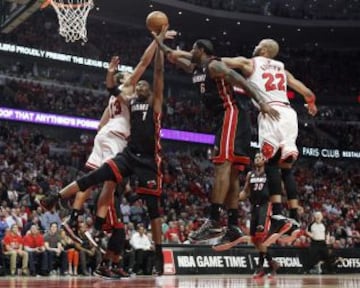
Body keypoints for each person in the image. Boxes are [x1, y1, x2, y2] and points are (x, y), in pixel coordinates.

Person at [40, 39, 166, 275]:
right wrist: (156, 40)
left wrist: (110, 74)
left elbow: (100, 122)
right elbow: (143, 64)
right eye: (132, 79)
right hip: (119, 139)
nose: (137, 81)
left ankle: (75, 215)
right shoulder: (128, 93)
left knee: (97, 177)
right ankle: (93, 227)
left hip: (111, 138)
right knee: (108, 182)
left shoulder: (133, 100)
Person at [153, 34, 279, 244]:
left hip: (231, 115)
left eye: (193, 49)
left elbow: (239, 79)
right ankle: (232, 225)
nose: (190, 52)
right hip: (226, 119)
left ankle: (213, 220)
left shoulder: (214, 66)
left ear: (201, 50)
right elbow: (171, 55)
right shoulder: (196, 69)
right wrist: (157, 38)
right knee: (231, 175)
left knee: (222, 166)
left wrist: (262, 103)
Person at [220, 38, 318, 241]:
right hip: (289, 114)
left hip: (270, 112)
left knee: (271, 164)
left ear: (263, 49)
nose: (255, 45)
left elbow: (222, 62)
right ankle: (294, 217)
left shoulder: (251, 62)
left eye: (258, 44)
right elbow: (308, 93)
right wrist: (311, 104)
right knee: (286, 168)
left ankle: (279, 215)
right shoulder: (282, 69)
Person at [238, 153, 285, 279]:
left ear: (265, 160)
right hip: (254, 207)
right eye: (256, 157)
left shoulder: (270, 173)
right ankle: (271, 264)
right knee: (255, 239)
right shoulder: (250, 174)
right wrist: (235, 197)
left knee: (261, 236)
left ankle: (260, 267)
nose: (257, 159)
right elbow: (245, 192)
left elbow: (280, 190)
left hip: (266, 206)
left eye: (260, 157)